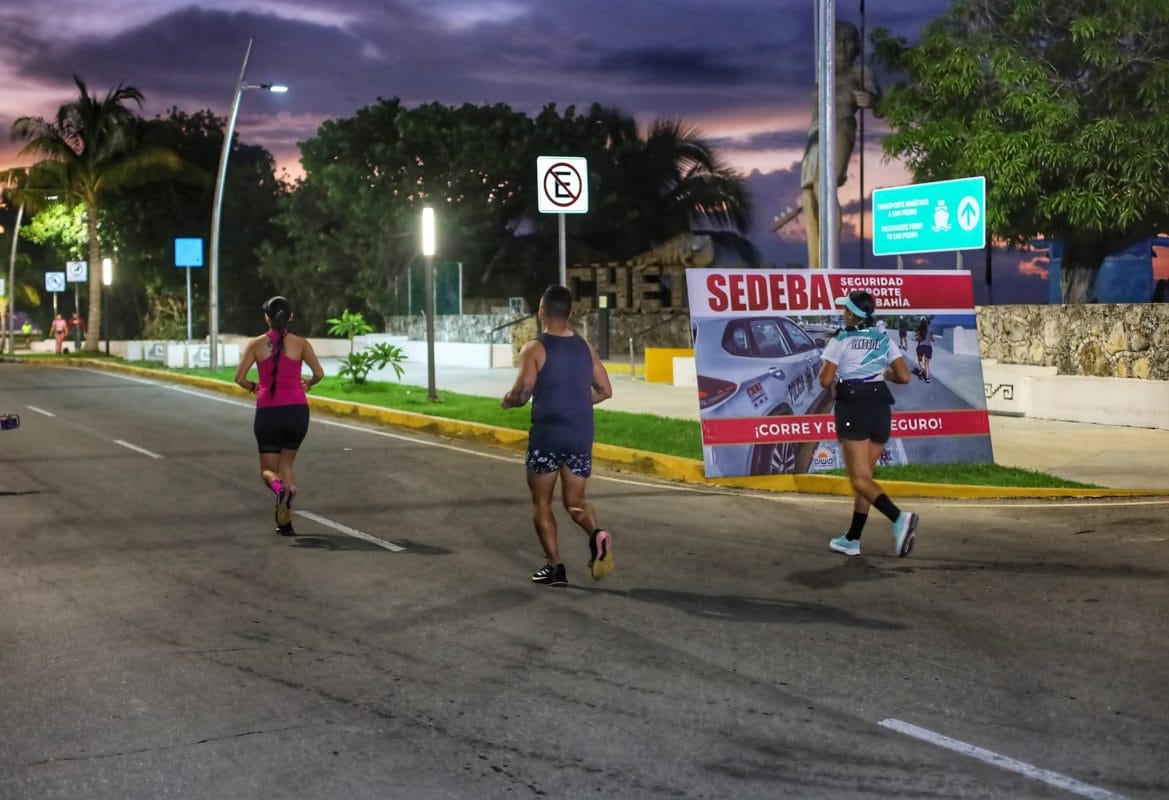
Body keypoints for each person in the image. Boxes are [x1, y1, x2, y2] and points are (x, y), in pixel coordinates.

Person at [501, 285, 615, 586]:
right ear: (571, 314)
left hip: (548, 436)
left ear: (541, 312)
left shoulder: (534, 348)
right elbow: (605, 391)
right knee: (575, 501)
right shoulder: (585, 348)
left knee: (542, 503)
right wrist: (575, 400)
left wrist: (509, 401)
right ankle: (597, 534)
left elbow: (523, 391)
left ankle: (555, 568)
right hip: (579, 435)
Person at [818, 290, 918, 558]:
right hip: (880, 406)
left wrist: (832, 368)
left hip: (854, 406)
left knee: (859, 479)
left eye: (844, 310)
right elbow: (905, 377)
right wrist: (883, 372)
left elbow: (825, 381)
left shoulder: (841, 340)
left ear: (851, 314)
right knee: (866, 478)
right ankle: (852, 538)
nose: (842, 314)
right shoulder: (883, 339)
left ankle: (899, 518)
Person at [234, 296, 324, 535]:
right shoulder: (301, 344)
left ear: (266, 317)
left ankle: (278, 489)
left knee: (268, 469)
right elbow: (319, 373)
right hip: (297, 412)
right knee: (286, 464)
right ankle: (285, 522)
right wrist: (310, 382)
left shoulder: (255, 345)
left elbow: (239, 379)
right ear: (291, 317)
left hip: (268, 412)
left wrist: (253, 386)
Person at [795, 20, 881, 269]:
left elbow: (880, 106)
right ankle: (815, 263)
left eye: (847, 41)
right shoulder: (824, 71)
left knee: (824, 185)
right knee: (807, 196)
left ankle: (829, 259)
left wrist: (871, 99)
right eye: (837, 41)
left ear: (856, 46)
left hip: (840, 127)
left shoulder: (860, 71)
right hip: (815, 132)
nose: (842, 47)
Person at [915, 317, 936, 383]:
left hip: (921, 346)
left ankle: (922, 368)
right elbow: (933, 339)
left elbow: (917, 338)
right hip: (928, 347)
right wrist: (930, 338)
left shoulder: (919, 329)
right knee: (927, 363)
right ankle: (927, 378)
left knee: (920, 360)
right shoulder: (930, 328)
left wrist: (918, 338)